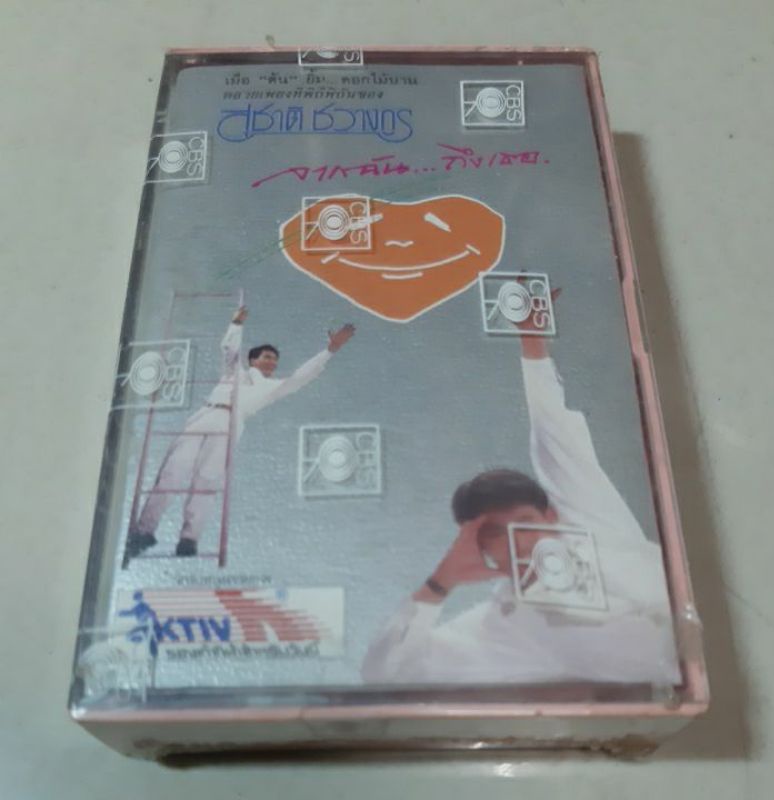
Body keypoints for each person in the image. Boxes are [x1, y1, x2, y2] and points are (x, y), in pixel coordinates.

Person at [362, 288, 680, 686]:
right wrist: (440, 584)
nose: (521, 542)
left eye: (527, 522)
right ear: (478, 546)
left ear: (551, 517)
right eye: (497, 533)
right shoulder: (499, 629)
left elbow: (556, 437)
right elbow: (385, 674)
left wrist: (532, 343)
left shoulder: (593, 525)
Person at [124, 306, 355, 562]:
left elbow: (301, 377)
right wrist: (236, 324)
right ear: (253, 360)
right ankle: (144, 530)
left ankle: (189, 538)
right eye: (267, 357)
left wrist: (329, 350)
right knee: (173, 471)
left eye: (275, 360)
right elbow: (229, 349)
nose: (272, 362)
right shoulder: (233, 372)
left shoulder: (273, 387)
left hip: (231, 424)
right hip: (205, 415)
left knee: (207, 479)